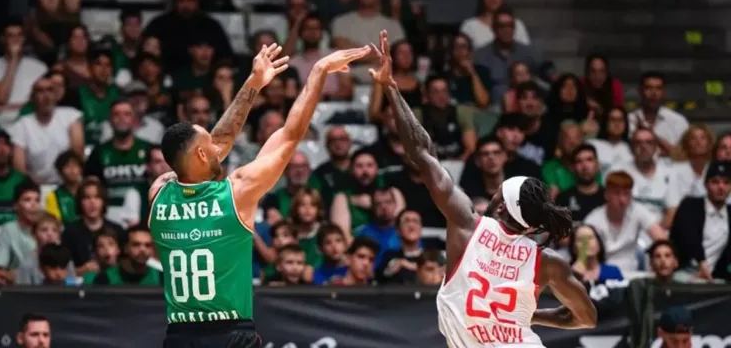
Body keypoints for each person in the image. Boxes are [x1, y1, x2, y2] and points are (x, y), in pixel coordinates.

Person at [369, 29, 596, 346]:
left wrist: (391, 88)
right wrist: (530, 316)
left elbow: (421, 152)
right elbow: (587, 318)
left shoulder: (467, 225)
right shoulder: (548, 262)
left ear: (502, 205)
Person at [148, 44, 370, 346]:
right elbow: (290, 134)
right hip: (230, 334)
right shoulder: (236, 193)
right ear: (201, 153)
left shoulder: (158, 193)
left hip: (179, 337)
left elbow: (210, 150)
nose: (218, 146)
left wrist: (253, 84)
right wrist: (318, 72)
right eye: (209, 144)